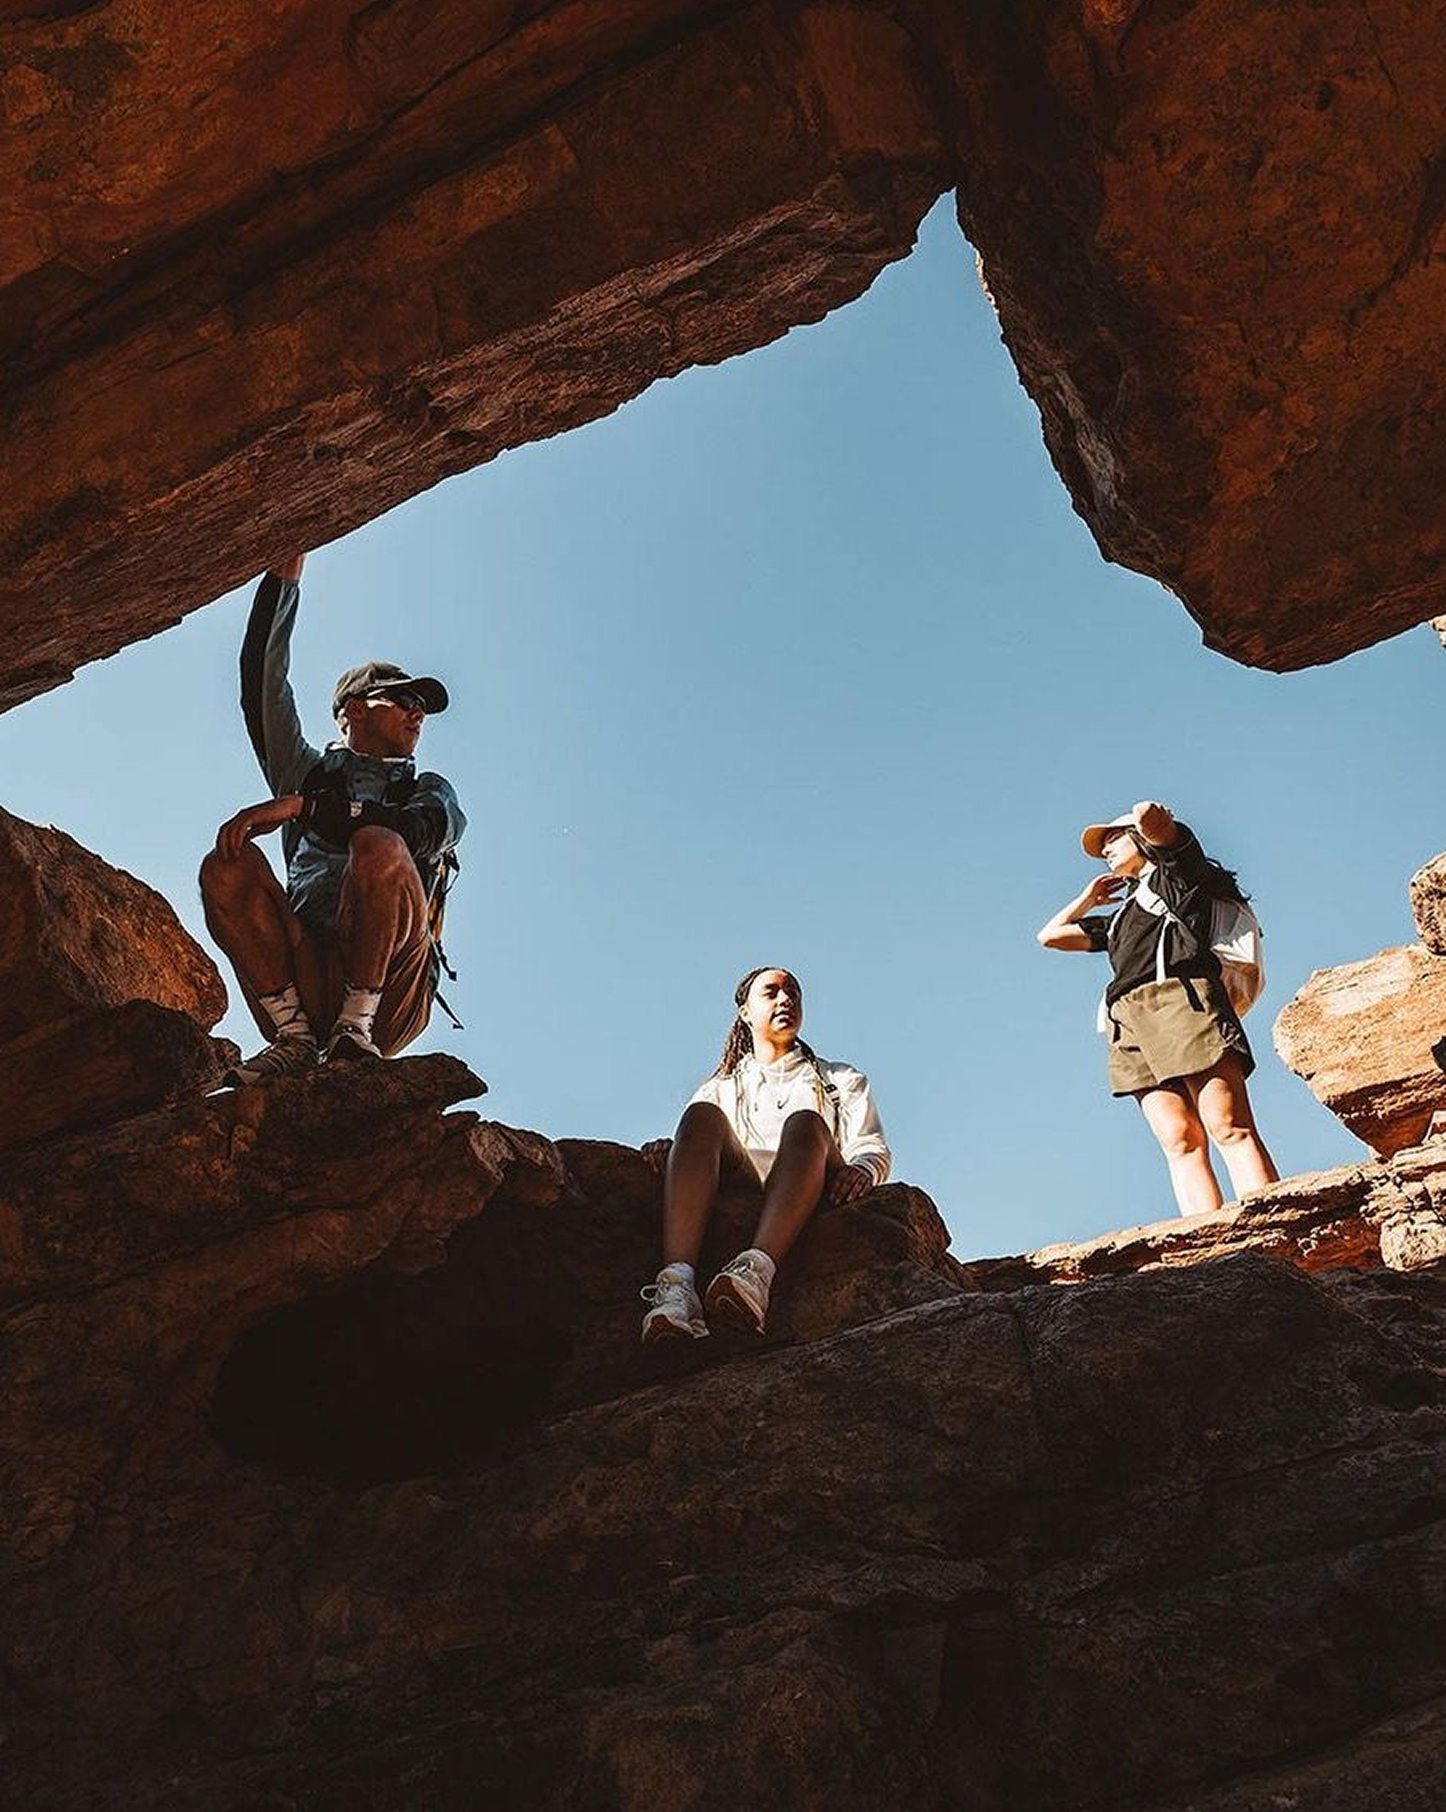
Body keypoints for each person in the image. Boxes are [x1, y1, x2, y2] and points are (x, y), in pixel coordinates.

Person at [199, 553, 466, 1086]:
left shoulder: (428, 790)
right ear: (353, 711)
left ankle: (355, 1029)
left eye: (422, 707)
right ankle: (294, 1037)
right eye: (403, 700)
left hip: (393, 987)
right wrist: (284, 574)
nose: (418, 713)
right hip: (307, 970)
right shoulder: (307, 771)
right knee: (226, 865)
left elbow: (419, 832)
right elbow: (262, 683)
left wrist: (302, 807)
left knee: (381, 846)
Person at [1037, 800, 1278, 1217]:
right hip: (1126, 1019)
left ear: (1139, 839)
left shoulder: (1177, 880)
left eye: (1114, 838)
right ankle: (1208, 1239)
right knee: (1178, 1139)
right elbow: (1049, 936)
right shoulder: (1119, 917)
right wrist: (1087, 899)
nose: (1106, 849)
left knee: (1228, 1124)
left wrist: (1146, 816)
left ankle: (1275, 1226)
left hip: (1179, 999)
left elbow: (1159, 824)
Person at [638, 967, 890, 1341]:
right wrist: (671, 1150)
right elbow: (699, 1141)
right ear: (744, 1012)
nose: (786, 1000)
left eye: (793, 993)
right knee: (699, 1116)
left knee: (805, 1121)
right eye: (771, 993)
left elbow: (870, 1146)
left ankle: (755, 1273)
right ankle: (678, 1288)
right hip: (744, 1176)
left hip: (813, 1172)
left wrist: (865, 1171)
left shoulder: (839, 1079)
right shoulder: (720, 1088)